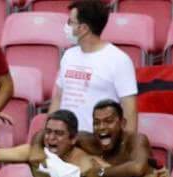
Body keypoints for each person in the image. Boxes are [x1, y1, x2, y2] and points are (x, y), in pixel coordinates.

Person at [50, 0, 138, 134]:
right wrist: (49, 132)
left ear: (84, 29)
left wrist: (125, 150)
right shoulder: (68, 55)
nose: (66, 26)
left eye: (71, 22)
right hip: (64, 141)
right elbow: (58, 98)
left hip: (97, 143)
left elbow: (129, 111)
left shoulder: (119, 60)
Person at [78, 99, 157, 177]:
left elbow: (137, 168)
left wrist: (100, 173)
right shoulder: (87, 141)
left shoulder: (135, 140)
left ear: (122, 123)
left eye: (109, 121)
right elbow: (63, 140)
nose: (101, 127)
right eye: (96, 123)